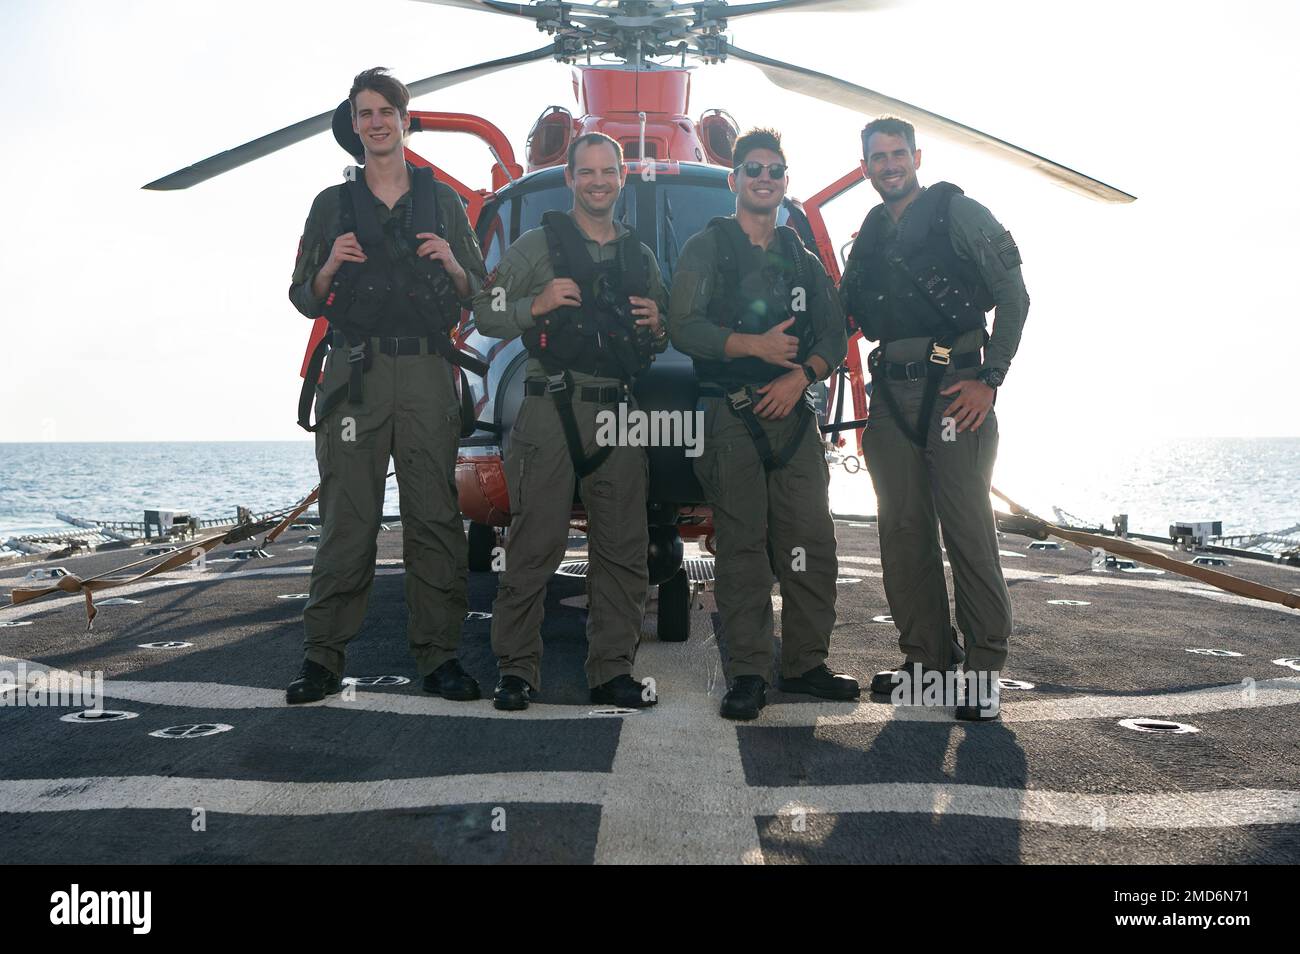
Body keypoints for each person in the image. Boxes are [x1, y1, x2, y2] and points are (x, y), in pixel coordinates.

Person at [285, 68, 488, 704]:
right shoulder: (330, 206)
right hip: (357, 375)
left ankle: (439, 656)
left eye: (385, 111)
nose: (374, 122)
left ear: (405, 120)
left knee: (434, 518)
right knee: (348, 519)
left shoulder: (444, 204)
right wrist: (329, 268)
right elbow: (300, 296)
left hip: (427, 373)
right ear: (353, 124)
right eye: (363, 113)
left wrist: (452, 263)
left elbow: (481, 293)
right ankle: (323, 658)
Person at [839, 116, 1029, 720]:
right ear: (865, 166)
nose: (889, 165)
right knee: (902, 534)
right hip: (891, 398)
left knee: (968, 530)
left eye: (898, 154)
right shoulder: (869, 233)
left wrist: (990, 380)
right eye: (877, 157)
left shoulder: (958, 213)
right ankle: (927, 663)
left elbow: (1015, 297)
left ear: (916, 157)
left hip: (955, 391)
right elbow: (843, 312)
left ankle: (983, 672)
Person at [470, 133, 668, 711]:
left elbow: (656, 339)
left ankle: (611, 670)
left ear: (622, 177)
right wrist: (536, 305)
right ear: (571, 179)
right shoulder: (537, 247)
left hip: (618, 410)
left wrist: (657, 323)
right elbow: (485, 312)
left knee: (623, 548)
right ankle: (516, 669)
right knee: (535, 543)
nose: (598, 181)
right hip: (550, 404)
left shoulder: (640, 256)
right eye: (587, 172)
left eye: (608, 171)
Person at [668, 128, 860, 721]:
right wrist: (750, 344)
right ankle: (749, 672)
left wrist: (801, 375)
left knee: (810, 543)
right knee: (743, 551)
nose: (764, 179)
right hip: (733, 416)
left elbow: (833, 332)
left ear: (784, 182)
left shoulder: (800, 259)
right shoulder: (709, 249)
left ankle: (805, 663)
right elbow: (682, 325)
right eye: (753, 170)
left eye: (775, 171)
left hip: (794, 419)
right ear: (734, 180)